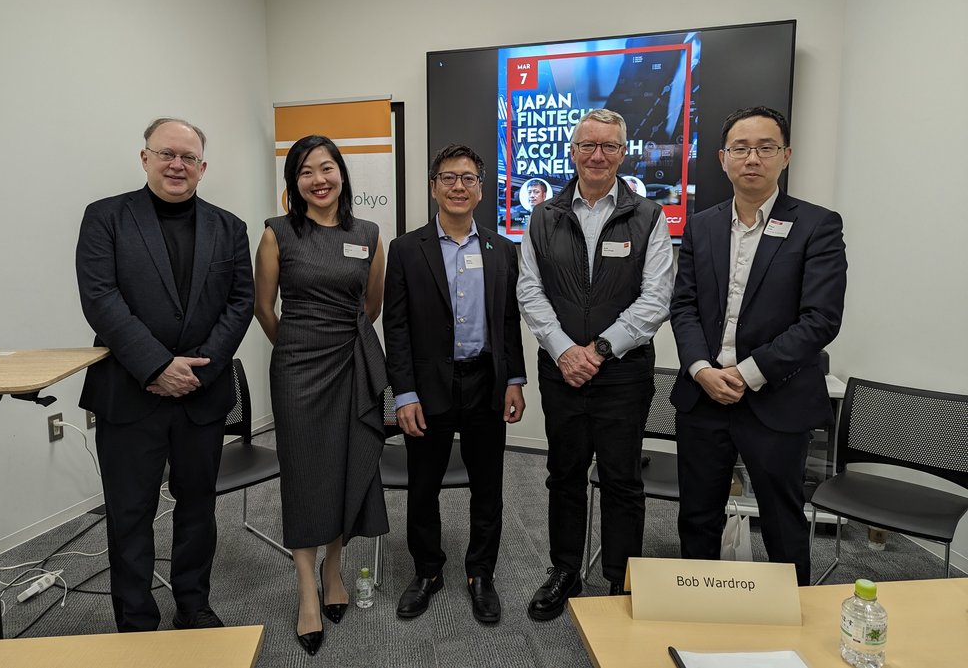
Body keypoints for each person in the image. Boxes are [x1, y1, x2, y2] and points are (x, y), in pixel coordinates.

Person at [76, 117, 253, 632]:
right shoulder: (105, 218)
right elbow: (100, 298)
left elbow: (240, 303)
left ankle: (193, 604)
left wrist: (197, 370)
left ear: (202, 167)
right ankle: (135, 620)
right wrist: (156, 365)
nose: (178, 165)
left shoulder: (230, 228)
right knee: (130, 514)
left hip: (201, 394)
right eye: (167, 154)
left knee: (197, 508)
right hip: (130, 393)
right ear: (145, 157)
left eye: (189, 158)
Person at [669, 106, 847, 585]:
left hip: (775, 396)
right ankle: (698, 614)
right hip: (704, 397)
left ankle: (789, 629)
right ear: (722, 159)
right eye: (741, 148)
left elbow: (820, 320)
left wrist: (748, 373)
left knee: (782, 523)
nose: (753, 158)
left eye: (765, 147)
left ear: (785, 156)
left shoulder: (818, 226)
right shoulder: (701, 225)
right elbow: (683, 307)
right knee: (697, 517)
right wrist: (701, 369)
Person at [518, 108, 673, 619]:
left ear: (622, 153)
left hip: (623, 374)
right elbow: (530, 291)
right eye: (588, 145)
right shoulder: (543, 217)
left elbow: (656, 298)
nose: (598, 155)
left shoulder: (648, 216)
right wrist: (565, 350)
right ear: (573, 151)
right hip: (560, 371)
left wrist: (600, 349)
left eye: (609, 146)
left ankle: (620, 580)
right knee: (563, 473)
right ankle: (564, 570)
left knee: (621, 478)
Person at [253, 135, 388, 656]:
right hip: (296, 368)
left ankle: (336, 566)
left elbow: (370, 304)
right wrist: (296, 344)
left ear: (342, 174)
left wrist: (339, 341)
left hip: (350, 362)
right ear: (295, 182)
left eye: (327, 168)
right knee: (304, 472)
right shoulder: (277, 233)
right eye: (306, 171)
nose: (319, 179)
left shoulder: (369, 233)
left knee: (346, 464)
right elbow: (265, 308)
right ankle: (306, 588)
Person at [383, 144, 526, 625]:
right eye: (448, 178)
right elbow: (396, 327)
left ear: (481, 190)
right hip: (427, 389)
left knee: (488, 486)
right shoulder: (406, 249)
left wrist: (514, 380)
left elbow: (509, 322)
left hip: (486, 382)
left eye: (468, 178)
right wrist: (403, 392)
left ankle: (480, 573)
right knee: (423, 487)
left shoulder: (502, 249)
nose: (458, 187)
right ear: (433, 188)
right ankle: (427, 571)